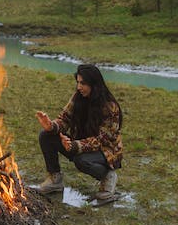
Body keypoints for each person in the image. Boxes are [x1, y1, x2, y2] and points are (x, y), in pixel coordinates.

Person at [35, 63, 123, 201]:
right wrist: (51, 126)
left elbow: (102, 140)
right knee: (46, 135)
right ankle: (55, 180)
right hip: (80, 144)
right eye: (78, 82)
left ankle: (108, 176)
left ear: (94, 84)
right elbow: (64, 119)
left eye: (83, 83)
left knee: (80, 160)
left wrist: (75, 146)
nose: (79, 87)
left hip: (106, 151)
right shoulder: (78, 97)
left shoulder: (110, 107)